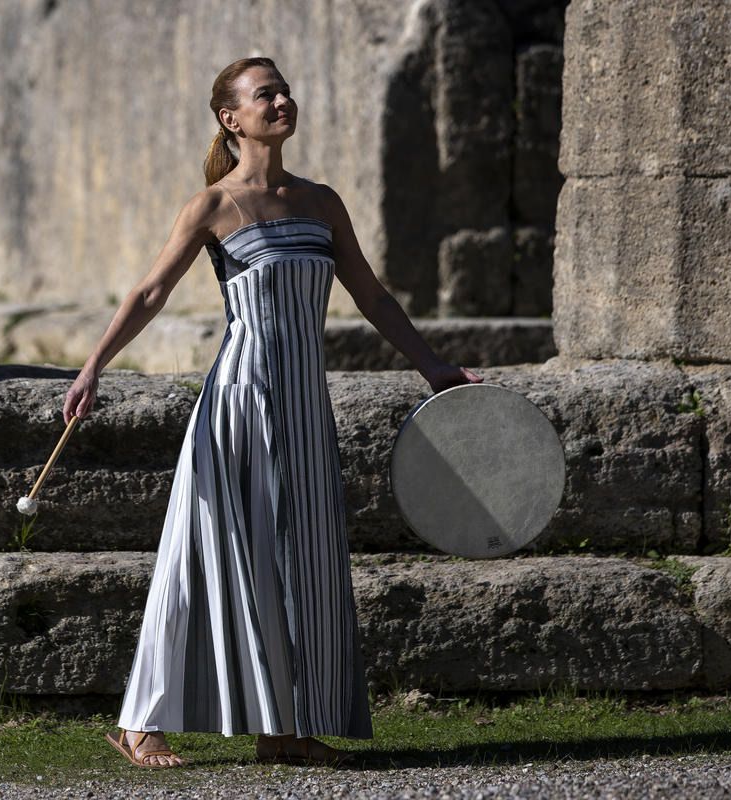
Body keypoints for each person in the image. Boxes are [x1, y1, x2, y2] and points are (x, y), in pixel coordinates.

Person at [62, 56, 483, 769]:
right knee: (199, 552)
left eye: (285, 90)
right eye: (266, 94)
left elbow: (371, 295)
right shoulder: (212, 206)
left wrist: (432, 366)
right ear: (231, 118)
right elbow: (150, 293)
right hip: (240, 401)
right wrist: (93, 365)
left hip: (304, 405)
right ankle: (142, 722)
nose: (282, 100)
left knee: (305, 558)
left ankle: (285, 730)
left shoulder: (321, 202)